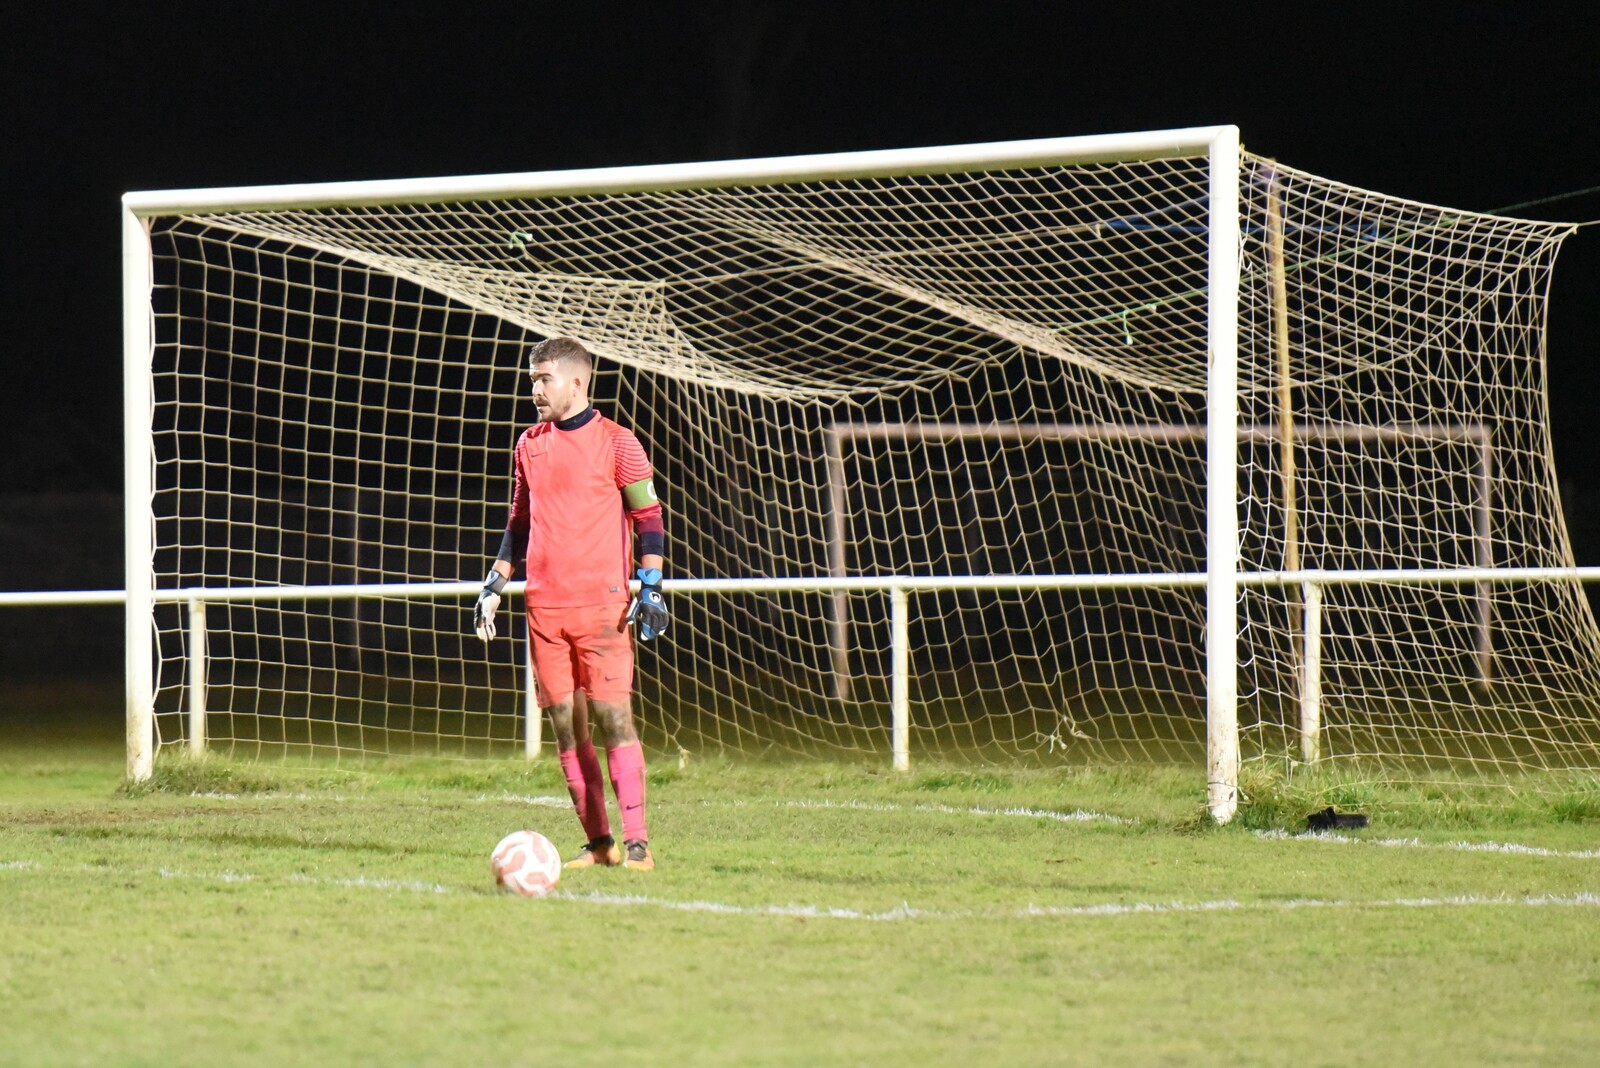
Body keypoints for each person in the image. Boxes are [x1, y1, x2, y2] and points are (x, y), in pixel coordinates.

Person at [473, 336, 669, 871]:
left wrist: (650, 585)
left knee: (613, 717)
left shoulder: (618, 442)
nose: (535, 390)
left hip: (602, 606)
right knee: (565, 723)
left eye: (544, 379)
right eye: (532, 380)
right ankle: (600, 843)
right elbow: (519, 523)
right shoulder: (528, 445)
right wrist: (494, 584)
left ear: (577, 382)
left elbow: (648, 518)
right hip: (544, 608)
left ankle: (638, 844)